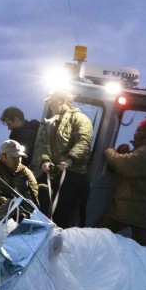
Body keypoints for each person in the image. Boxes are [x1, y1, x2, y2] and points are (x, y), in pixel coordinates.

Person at [96, 117, 146, 247]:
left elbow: (125, 165)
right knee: (100, 234)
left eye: (139, 130)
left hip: (141, 213)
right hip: (134, 210)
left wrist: (109, 150)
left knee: (142, 252)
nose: (135, 133)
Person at [33, 91, 94, 228]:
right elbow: (41, 144)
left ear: (61, 100)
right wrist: (44, 161)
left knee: (62, 214)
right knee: (38, 204)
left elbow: (84, 142)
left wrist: (70, 160)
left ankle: (60, 244)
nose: (50, 104)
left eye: (52, 101)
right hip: (51, 174)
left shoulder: (81, 119)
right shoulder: (49, 123)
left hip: (71, 175)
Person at [0, 139, 40, 211]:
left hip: (25, 211)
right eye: (14, 158)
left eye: (20, 157)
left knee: (44, 189)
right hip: (0, 214)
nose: (18, 161)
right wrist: (13, 207)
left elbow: (33, 196)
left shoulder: (26, 172)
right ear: (3, 157)